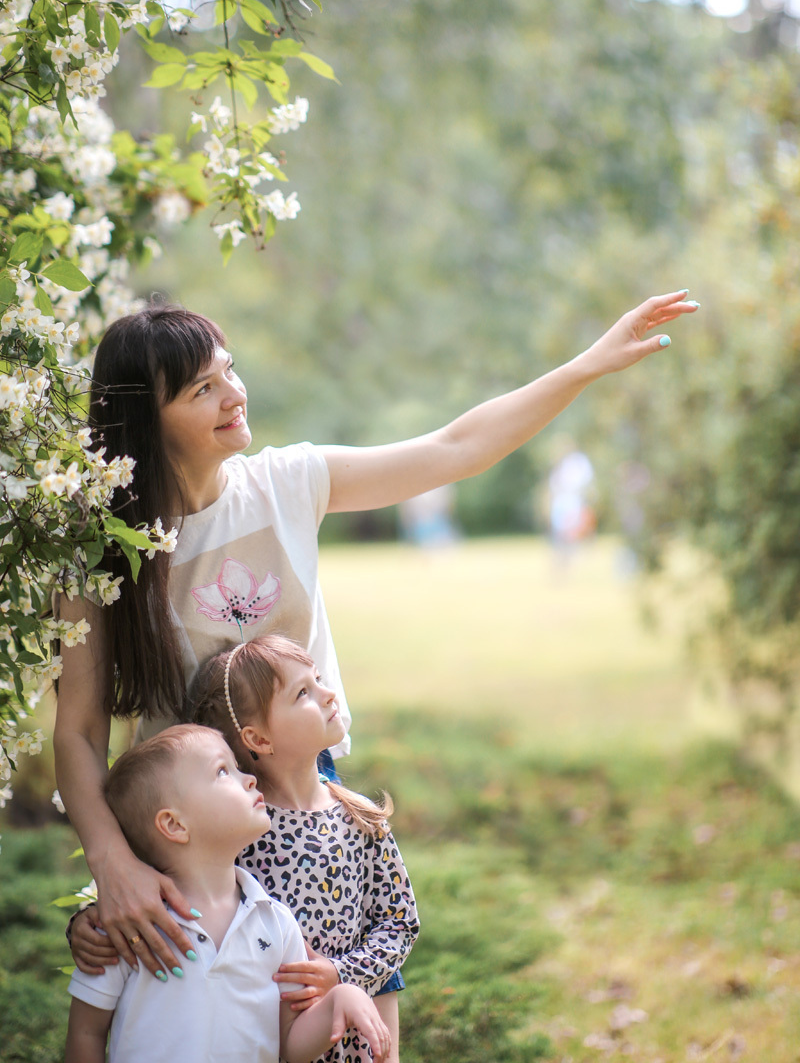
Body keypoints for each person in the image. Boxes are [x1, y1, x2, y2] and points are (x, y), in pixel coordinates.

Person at [53, 289, 698, 979]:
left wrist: (587, 365)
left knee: (343, 1005)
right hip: (182, 828)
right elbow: (79, 731)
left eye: (229, 370)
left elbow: (456, 447)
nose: (234, 395)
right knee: (209, 1020)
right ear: (146, 421)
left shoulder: (286, 484)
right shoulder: (101, 548)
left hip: (307, 794)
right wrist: (113, 866)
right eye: (202, 389)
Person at [70, 635, 419, 1063]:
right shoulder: (240, 824)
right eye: (303, 692)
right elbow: (168, 876)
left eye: (319, 680)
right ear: (258, 738)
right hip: (276, 1029)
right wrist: (90, 920)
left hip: (350, 1021)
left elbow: (399, 921)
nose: (330, 694)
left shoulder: (361, 818)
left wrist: (342, 975)